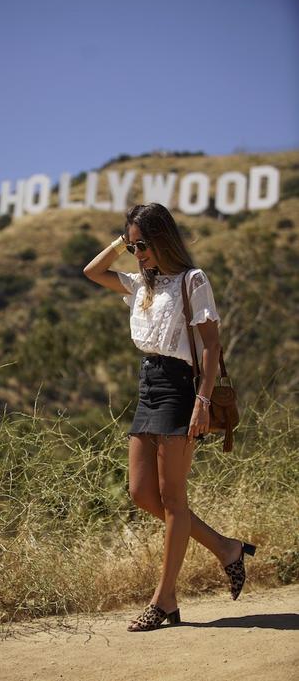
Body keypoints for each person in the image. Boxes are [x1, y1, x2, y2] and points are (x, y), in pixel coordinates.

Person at [83, 202, 256, 632]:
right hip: (149, 385)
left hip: (182, 388)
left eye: (143, 244)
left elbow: (212, 347)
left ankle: (165, 600)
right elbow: (91, 272)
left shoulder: (192, 281)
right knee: (143, 493)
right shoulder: (140, 285)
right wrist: (121, 242)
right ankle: (226, 548)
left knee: (174, 499)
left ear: (163, 240)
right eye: (132, 245)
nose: (137, 252)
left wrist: (201, 401)